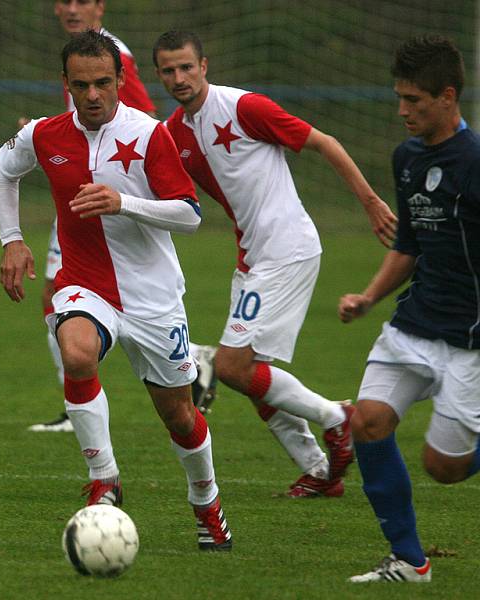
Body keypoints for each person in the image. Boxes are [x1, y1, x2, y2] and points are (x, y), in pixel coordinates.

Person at [0, 30, 232, 551]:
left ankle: (206, 503)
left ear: (121, 81)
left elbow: (190, 215)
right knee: (75, 351)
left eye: (103, 83)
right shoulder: (44, 134)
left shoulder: (148, 134)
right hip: (85, 282)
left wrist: (124, 202)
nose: (94, 95)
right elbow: (2, 170)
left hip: (153, 297)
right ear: (66, 85)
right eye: (82, 85)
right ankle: (105, 481)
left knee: (180, 416)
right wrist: (13, 240)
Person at [153, 30, 399, 498]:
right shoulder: (174, 134)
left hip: (287, 249)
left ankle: (338, 418)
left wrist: (370, 203)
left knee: (230, 365)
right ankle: (320, 472)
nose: (179, 78)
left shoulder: (244, 108)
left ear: (205, 65)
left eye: (187, 67)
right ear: (160, 74)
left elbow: (325, 142)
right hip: (253, 255)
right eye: (169, 70)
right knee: (251, 373)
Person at [29, 0, 217, 433]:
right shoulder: (81, 56)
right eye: (65, 1)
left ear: (100, 6)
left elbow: (144, 125)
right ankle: (76, 402)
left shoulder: (112, 56)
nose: (72, 9)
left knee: (63, 299)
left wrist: (127, 187)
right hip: (84, 198)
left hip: (103, 203)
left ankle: (79, 403)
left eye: (83, 1)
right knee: (55, 298)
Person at [341, 34, 480, 583]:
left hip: (470, 340)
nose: (402, 111)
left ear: (447, 97)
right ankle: (409, 561)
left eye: (414, 100)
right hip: (414, 324)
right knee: (368, 422)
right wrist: (370, 297)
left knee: (441, 469)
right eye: (399, 98)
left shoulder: (474, 163)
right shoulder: (406, 158)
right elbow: (409, 245)